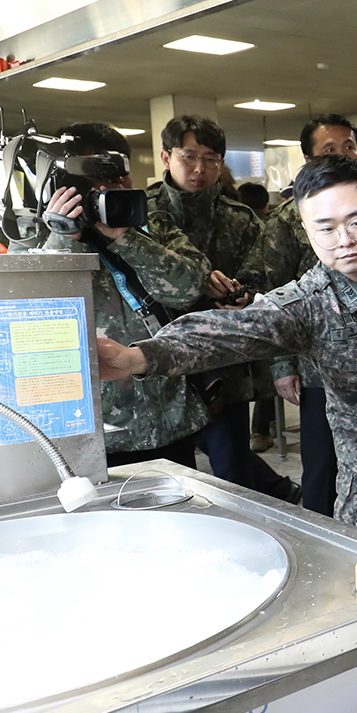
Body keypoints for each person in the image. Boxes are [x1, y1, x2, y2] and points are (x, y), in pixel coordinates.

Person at [97, 155, 357, 655]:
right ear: (305, 229)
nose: (344, 239)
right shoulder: (307, 303)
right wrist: (138, 356)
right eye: (325, 227)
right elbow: (228, 333)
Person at [237, 115, 357, 516]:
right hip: (318, 366)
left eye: (349, 147)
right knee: (323, 466)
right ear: (308, 158)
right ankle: (325, 542)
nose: (342, 155)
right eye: (329, 150)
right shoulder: (288, 220)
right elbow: (272, 292)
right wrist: (282, 364)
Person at [40, 121, 217, 468]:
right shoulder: (38, 237)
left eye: (120, 177)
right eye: (96, 179)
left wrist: (127, 238)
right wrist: (64, 236)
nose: (111, 188)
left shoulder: (152, 222)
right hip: (95, 427)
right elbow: (41, 312)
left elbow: (190, 286)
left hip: (168, 416)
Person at [146, 114, 297, 502]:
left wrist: (243, 292)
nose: (200, 169)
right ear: (166, 157)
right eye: (189, 157)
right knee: (165, 475)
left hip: (220, 368)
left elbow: (265, 276)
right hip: (153, 362)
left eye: (211, 159)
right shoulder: (140, 215)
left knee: (232, 471)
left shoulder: (240, 219)